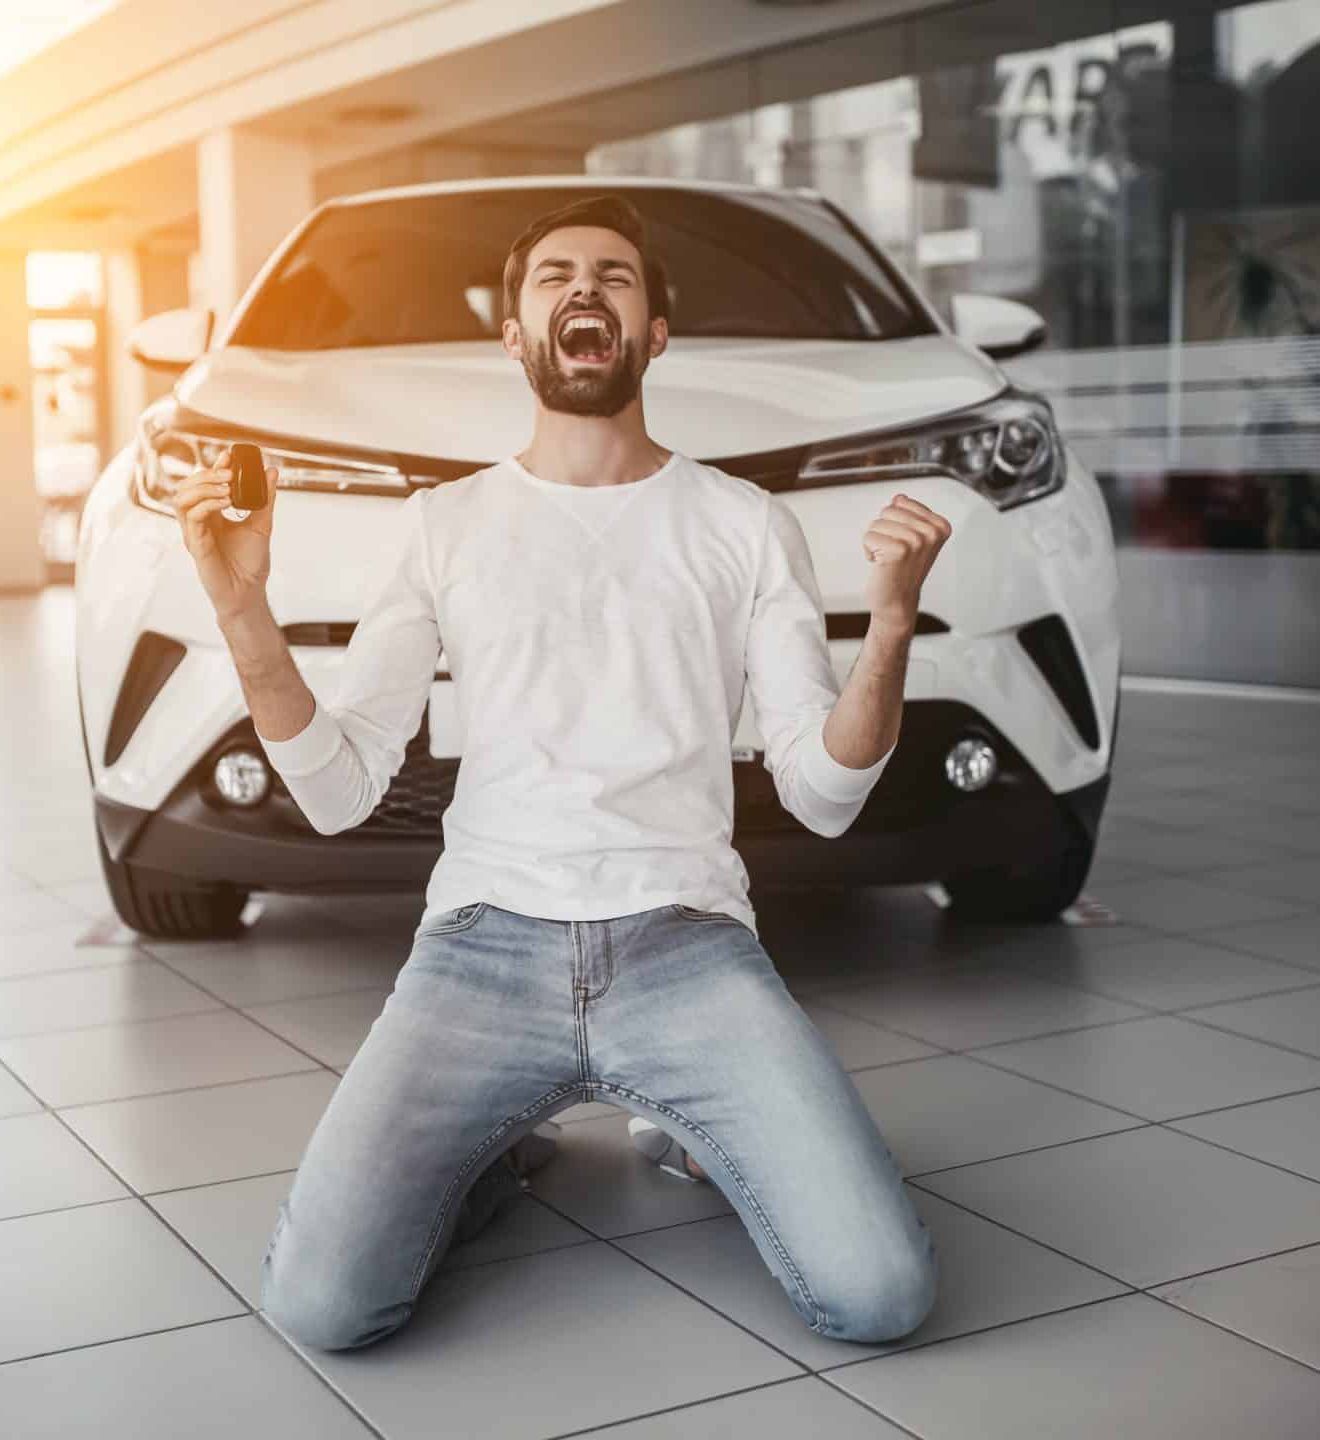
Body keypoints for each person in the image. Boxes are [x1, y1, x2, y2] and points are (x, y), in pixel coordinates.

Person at [173, 194, 950, 1353]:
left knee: (880, 1295)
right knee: (324, 1307)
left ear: (656, 332)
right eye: (555, 277)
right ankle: (497, 1149)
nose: (586, 290)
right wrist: (240, 606)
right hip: (482, 948)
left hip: (686, 946)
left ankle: (690, 1128)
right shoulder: (445, 523)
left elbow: (821, 793)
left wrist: (890, 625)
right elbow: (337, 790)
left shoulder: (743, 523)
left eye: (616, 277)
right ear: (516, 333)